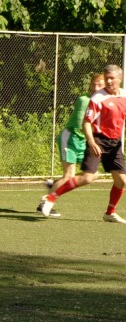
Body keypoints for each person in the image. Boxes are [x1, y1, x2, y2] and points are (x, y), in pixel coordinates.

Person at [40, 64, 126, 223]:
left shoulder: (124, 96)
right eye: (106, 78)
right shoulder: (98, 98)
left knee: (121, 181)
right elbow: (87, 122)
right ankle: (51, 198)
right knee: (87, 177)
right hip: (98, 140)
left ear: (120, 79)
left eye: (111, 78)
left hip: (115, 144)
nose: (108, 81)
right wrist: (92, 142)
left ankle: (109, 213)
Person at [36, 72, 105, 217]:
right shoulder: (84, 100)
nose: (96, 86)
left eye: (100, 84)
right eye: (94, 84)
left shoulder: (104, 103)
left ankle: (54, 185)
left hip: (85, 141)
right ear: (90, 85)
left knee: (92, 175)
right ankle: (46, 202)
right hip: (72, 138)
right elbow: (83, 125)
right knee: (69, 175)